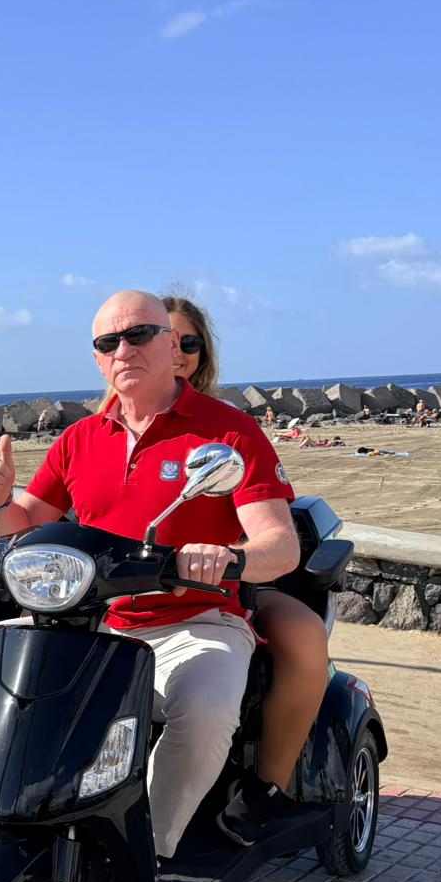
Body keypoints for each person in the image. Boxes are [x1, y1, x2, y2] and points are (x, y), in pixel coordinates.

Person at [0, 291, 300, 882]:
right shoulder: (82, 438)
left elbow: (279, 542)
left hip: (194, 618)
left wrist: (229, 558)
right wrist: (1, 502)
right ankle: (10, 813)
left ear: (173, 346)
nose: (123, 350)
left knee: (207, 705)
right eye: (107, 342)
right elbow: (33, 522)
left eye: (138, 335)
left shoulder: (227, 430)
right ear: (97, 359)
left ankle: (150, 853)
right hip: (95, 618)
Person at [163, 295, 330, 845]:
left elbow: (270, 533)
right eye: (162, 340)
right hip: (134, 588)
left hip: (229, 583)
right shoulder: (101, 429)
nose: (176, 353)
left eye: (189, 342)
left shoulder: (227, 428)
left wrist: (231, 556)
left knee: (304, 636)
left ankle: (266, 791)